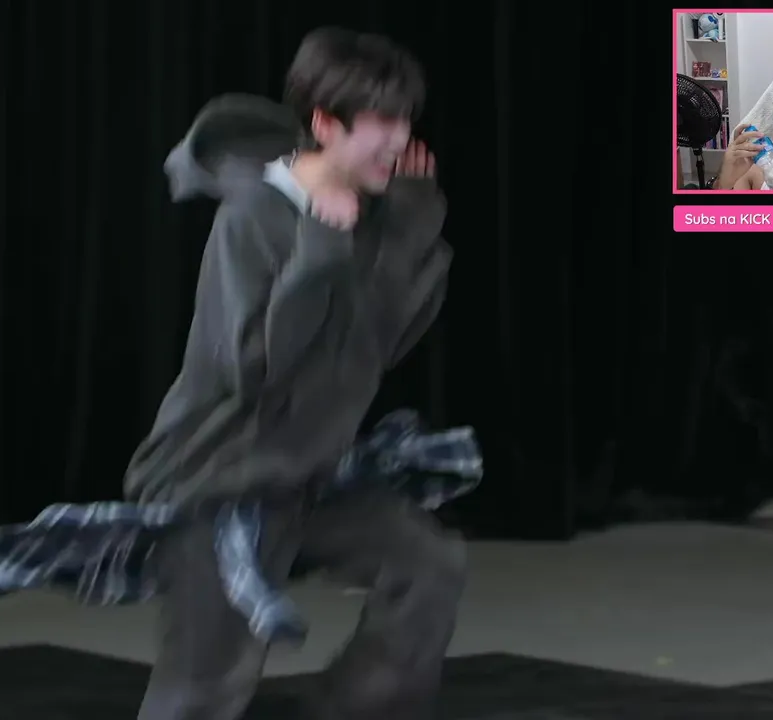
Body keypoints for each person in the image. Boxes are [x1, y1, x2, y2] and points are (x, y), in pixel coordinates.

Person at [126, 27, 466, 720]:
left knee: (427, 566)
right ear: (325, 124)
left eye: (406, 120)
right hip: (217, 484)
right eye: (382, 122)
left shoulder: (367, 215)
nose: (401, 139)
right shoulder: (253, 216)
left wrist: (409, 224)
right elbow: (258, 370)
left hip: (304, 477)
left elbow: (378, 347)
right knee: (204, 687)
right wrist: (319, 247)